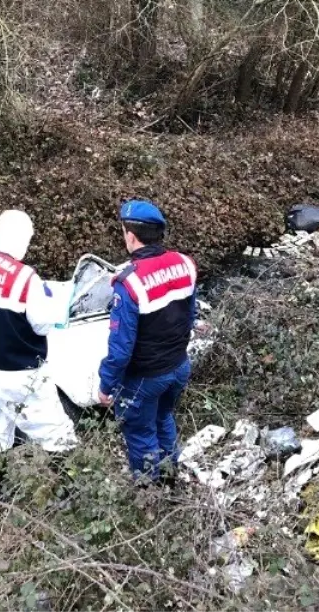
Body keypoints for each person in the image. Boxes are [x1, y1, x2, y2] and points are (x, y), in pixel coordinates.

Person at [0, 210, 78, 467]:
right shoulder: (25, 277)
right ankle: (68, 495)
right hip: (21, 371)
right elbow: (42, 325)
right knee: (57, 434)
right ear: (22, 239)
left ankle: (0, 495)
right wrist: (53, 305)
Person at [97, 199, 198, 483]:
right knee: (163, 418)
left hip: (143, 378)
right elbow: (190, 315)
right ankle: (171, 478)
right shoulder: (185, 264)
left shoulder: (128, 283)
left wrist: (106, 385)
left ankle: (151, 492)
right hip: (179, 367)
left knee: (141, 434)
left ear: (130, 235)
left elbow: (120, 348)